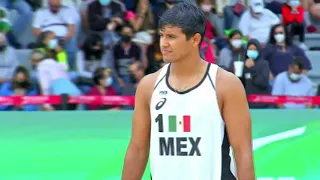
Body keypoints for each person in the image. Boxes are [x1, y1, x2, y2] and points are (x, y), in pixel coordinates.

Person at [122, 3, 255, 180]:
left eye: (171, 37)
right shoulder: (149, 85)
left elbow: (243, 152)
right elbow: (138, 149)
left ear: (195, 39)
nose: (163, 43)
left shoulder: (226, 84)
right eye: (162, 36)